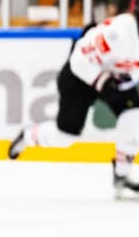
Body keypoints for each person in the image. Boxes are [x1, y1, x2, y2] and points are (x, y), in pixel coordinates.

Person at [9, 12, 139, 198]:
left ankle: (121, 175)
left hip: (112, 79)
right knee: (65, 137)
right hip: (78, 78)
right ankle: (29, 136)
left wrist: (119, 82)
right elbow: (79, 60)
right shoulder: (121, 33)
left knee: (134, 113)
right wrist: (102, 81)